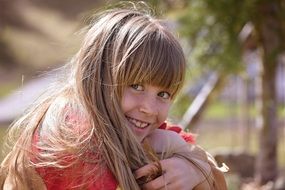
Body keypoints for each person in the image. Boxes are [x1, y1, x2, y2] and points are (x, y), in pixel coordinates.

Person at [0, 3, 227, 190]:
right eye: (136, 86)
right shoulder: (74, 145)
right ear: (97, 76)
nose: (148, 107)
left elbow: (214, 175)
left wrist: (193, 164)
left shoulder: (124, 124)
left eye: (163, 94)